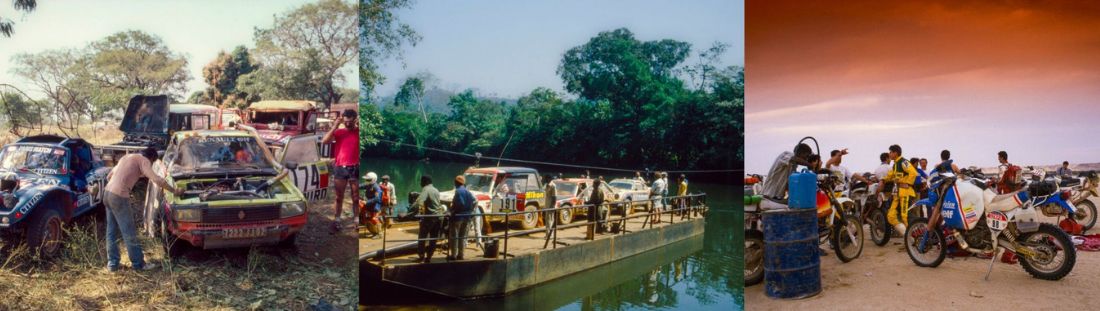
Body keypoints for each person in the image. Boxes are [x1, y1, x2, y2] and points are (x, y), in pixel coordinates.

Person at [104, 147, 183, 272]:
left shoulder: (127, 157)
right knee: (129, 231)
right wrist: (174, 190)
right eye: (152, 163)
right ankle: (138, 264)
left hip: (107, 193)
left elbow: (109, 176)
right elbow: (156, 179)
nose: (150, 165)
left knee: (111, 230)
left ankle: (112, 264)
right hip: (119, 196)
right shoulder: (144, 160)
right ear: (151, 158)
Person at [322, 110, 360, 233]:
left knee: (356, 197)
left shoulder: (359, 131)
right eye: (346, 121)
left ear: (355, 119)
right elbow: (324, 141)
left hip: (355, 167)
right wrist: (335, 125)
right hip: (340, 168)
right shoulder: (339, 132)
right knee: (339, 197)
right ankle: (337, 220)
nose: (348, 124)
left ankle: (357, 220)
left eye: (350, 121)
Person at [759, 143, 815, 210]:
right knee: (792, 209)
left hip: (777, 199)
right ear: (801, 153)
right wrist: (809, 165)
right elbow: (794, 159)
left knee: (798, 206)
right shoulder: (786, 154)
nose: (806, 158)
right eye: (806, 156)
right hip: (768, 198)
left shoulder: (792, 168)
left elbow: (791, 186)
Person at [884, 145, 917, 234]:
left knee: (904, 216)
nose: (889, 154)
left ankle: (913, 237)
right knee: (891, 216)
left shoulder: (903, 162)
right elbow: (890, 176)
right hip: (897, 194)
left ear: (896, 153)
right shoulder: (895, 164)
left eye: (890, 152)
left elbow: (913, 173)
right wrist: (882, 180)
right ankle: (907, 235)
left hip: (905, 193)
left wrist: (907, 183)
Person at [413, 175, 443, 263]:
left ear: (425, 182)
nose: (420, 183)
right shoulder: (436, 190)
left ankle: (421, 256)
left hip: (430, 217)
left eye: (421, 181)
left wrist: (408, 214)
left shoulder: (426, 189)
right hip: (439, 217)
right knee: (433, 238)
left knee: (422, 237)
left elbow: (419, 202)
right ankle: (429, 257)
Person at [449, 175, 476, 261]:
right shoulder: (468, 192)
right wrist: (470, 211)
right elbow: (475, 201)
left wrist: (453, 211)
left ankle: (453, 255)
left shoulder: (458, 191)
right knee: (462, 236)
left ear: (456, 183)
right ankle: (461, 255)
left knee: (454, 236)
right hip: (467, 217)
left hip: (458, 217)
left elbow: (460, 203)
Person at [361, 172, 383, 237]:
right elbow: (361, 185)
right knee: (369, 219)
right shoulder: (368, 185)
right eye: (366, 179)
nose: (366, 180)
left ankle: (379, 234)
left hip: (375, 205)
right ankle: (374, 232)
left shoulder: (376, 188)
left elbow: (377, 198)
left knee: (374, 219)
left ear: (373, 179)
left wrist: (367, 202)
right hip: (370, 205)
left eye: (368, 179)